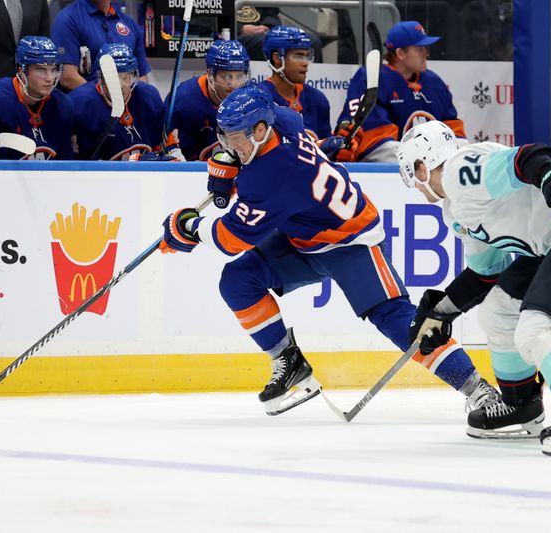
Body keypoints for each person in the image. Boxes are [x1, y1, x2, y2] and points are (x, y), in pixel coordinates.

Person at [159, 84, 499, 417]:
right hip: (303, 238)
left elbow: (229, 238)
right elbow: (289, 158)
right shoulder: (284, 121)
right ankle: (287, 362)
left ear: (261, 129)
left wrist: (186, 226)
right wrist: (240, 165)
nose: (229, 147)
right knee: (237, 280)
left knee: (398, 320)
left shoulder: (272, 176)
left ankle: (479, 390)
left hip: (353, 241)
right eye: (225, 138)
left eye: (235, 140)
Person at [397, 121, 551, 456]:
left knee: (535, 328)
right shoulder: (457, 208)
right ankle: (521, 403)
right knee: (499, 309)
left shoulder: (457, 171)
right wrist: (439, 311)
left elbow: (527, 157)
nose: (417, 190)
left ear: (422, 167)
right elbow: (486, 273)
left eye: (412, 179)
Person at [335, 21, 465, 163]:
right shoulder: (372, 78)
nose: (426, 54)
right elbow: (377, 148)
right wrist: (424, 164)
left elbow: (455, 136)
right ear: (400, 53)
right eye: (420, 49)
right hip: (385, 177)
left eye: (426, 48)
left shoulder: (434, 83)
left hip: (429, 172)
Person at [69, 43, 181, 161]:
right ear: (100, 78)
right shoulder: (79, 103)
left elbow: (167, 148)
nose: (120, 86)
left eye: (126, 78)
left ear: (134, 77)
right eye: (112, 78)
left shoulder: (149, 98)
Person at [0, 36, 73, 160]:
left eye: (53, 69)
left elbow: (66, 161)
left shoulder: (62, 105)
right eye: (41, 70)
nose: (49, 78)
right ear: (21, 71)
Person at [166, 40, 250, 162]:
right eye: (226, 76)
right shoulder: (183, 100)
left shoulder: (251, 99)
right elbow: (167, 146)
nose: (233, 84)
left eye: (239, 76)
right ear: (210, 74)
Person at [51, 0, 151, 92]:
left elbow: (141, 76)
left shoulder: (129, 23)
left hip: (126, 105)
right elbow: (68, 77)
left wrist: (131, 102)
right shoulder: (67, 19)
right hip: (86, 106)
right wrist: (104, 99)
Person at [260, 26, 331, 141]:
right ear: (277, 58)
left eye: (306, 56)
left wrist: (340, 149)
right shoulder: (258, 98)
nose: (305, 63)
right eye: (298, 56)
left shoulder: (317, 99)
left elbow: (327, 152)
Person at [236, 6, 323, 63]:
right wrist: (240, 28)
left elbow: (271, 13)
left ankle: (312, 84)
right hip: (235, 33)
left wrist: (267, 27)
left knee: (311, 40)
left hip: (264, 31)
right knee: (263, 42)